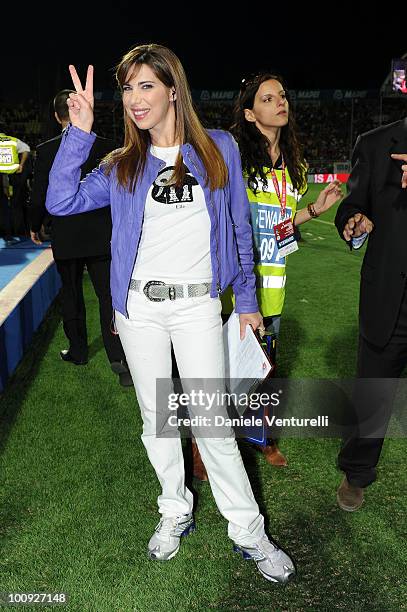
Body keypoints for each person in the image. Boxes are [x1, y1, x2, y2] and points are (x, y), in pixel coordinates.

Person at [45, 44, 296, 584]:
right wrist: (80, 132)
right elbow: (61, 202)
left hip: (199, 307)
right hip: (140, 312)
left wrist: (247, 302)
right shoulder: (121, 164)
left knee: (213, 426)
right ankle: (173, 510)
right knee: (157, 424)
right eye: (128, 88)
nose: (135, 99)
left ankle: (249, 531)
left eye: (145, 86)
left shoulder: (219, 149)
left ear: (172, 89)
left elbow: (239, 231)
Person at [210, 73, 341, 466]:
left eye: (282, 96)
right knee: (219, 372)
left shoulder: (295, 169)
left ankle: (262, 439)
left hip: (274, 289)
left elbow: (279, 224)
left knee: (263, 370)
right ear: (250, 114)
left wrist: (315, 210)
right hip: (235, 290)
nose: (280, 102)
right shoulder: (234, 162)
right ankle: (206, 446)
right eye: (268, 99)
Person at [29, 90, 132, 386]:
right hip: (102, 236)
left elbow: (38, 198)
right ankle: (119, 357)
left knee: (72, 294)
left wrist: (34, 226)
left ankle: (78, 351)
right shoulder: (109, 146)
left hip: (67, 236)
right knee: (108, 296)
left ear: (56, 116)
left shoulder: (47, 150)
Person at [334, 118, 407, 511]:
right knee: (374, 392)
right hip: (390, 297)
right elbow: (354, 201)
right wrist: (353, 221)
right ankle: (357, 472)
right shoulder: (376, 142)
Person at [0, 120, 31, 241]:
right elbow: (26, 149)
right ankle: (16, 231)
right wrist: (21, 164)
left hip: (1, 176)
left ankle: (5, 232)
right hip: (12, 176)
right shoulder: (13, 140)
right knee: (14, 204)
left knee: (3, 206)